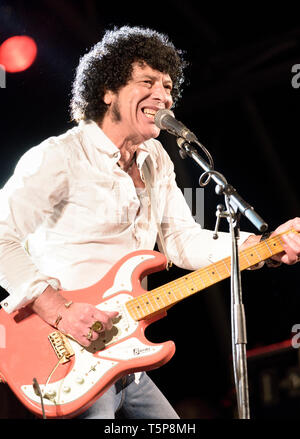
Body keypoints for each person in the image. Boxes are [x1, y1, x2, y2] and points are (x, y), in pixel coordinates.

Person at [0, 25, 300, 419]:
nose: (163, 95)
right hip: (66, 354)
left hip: (122, 352)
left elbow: (180, 239)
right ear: (107, 91)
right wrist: (63, 312)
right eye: (147, 82)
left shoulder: (156, 158)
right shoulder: (60, 157)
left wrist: (264, 248)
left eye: (168, 86)